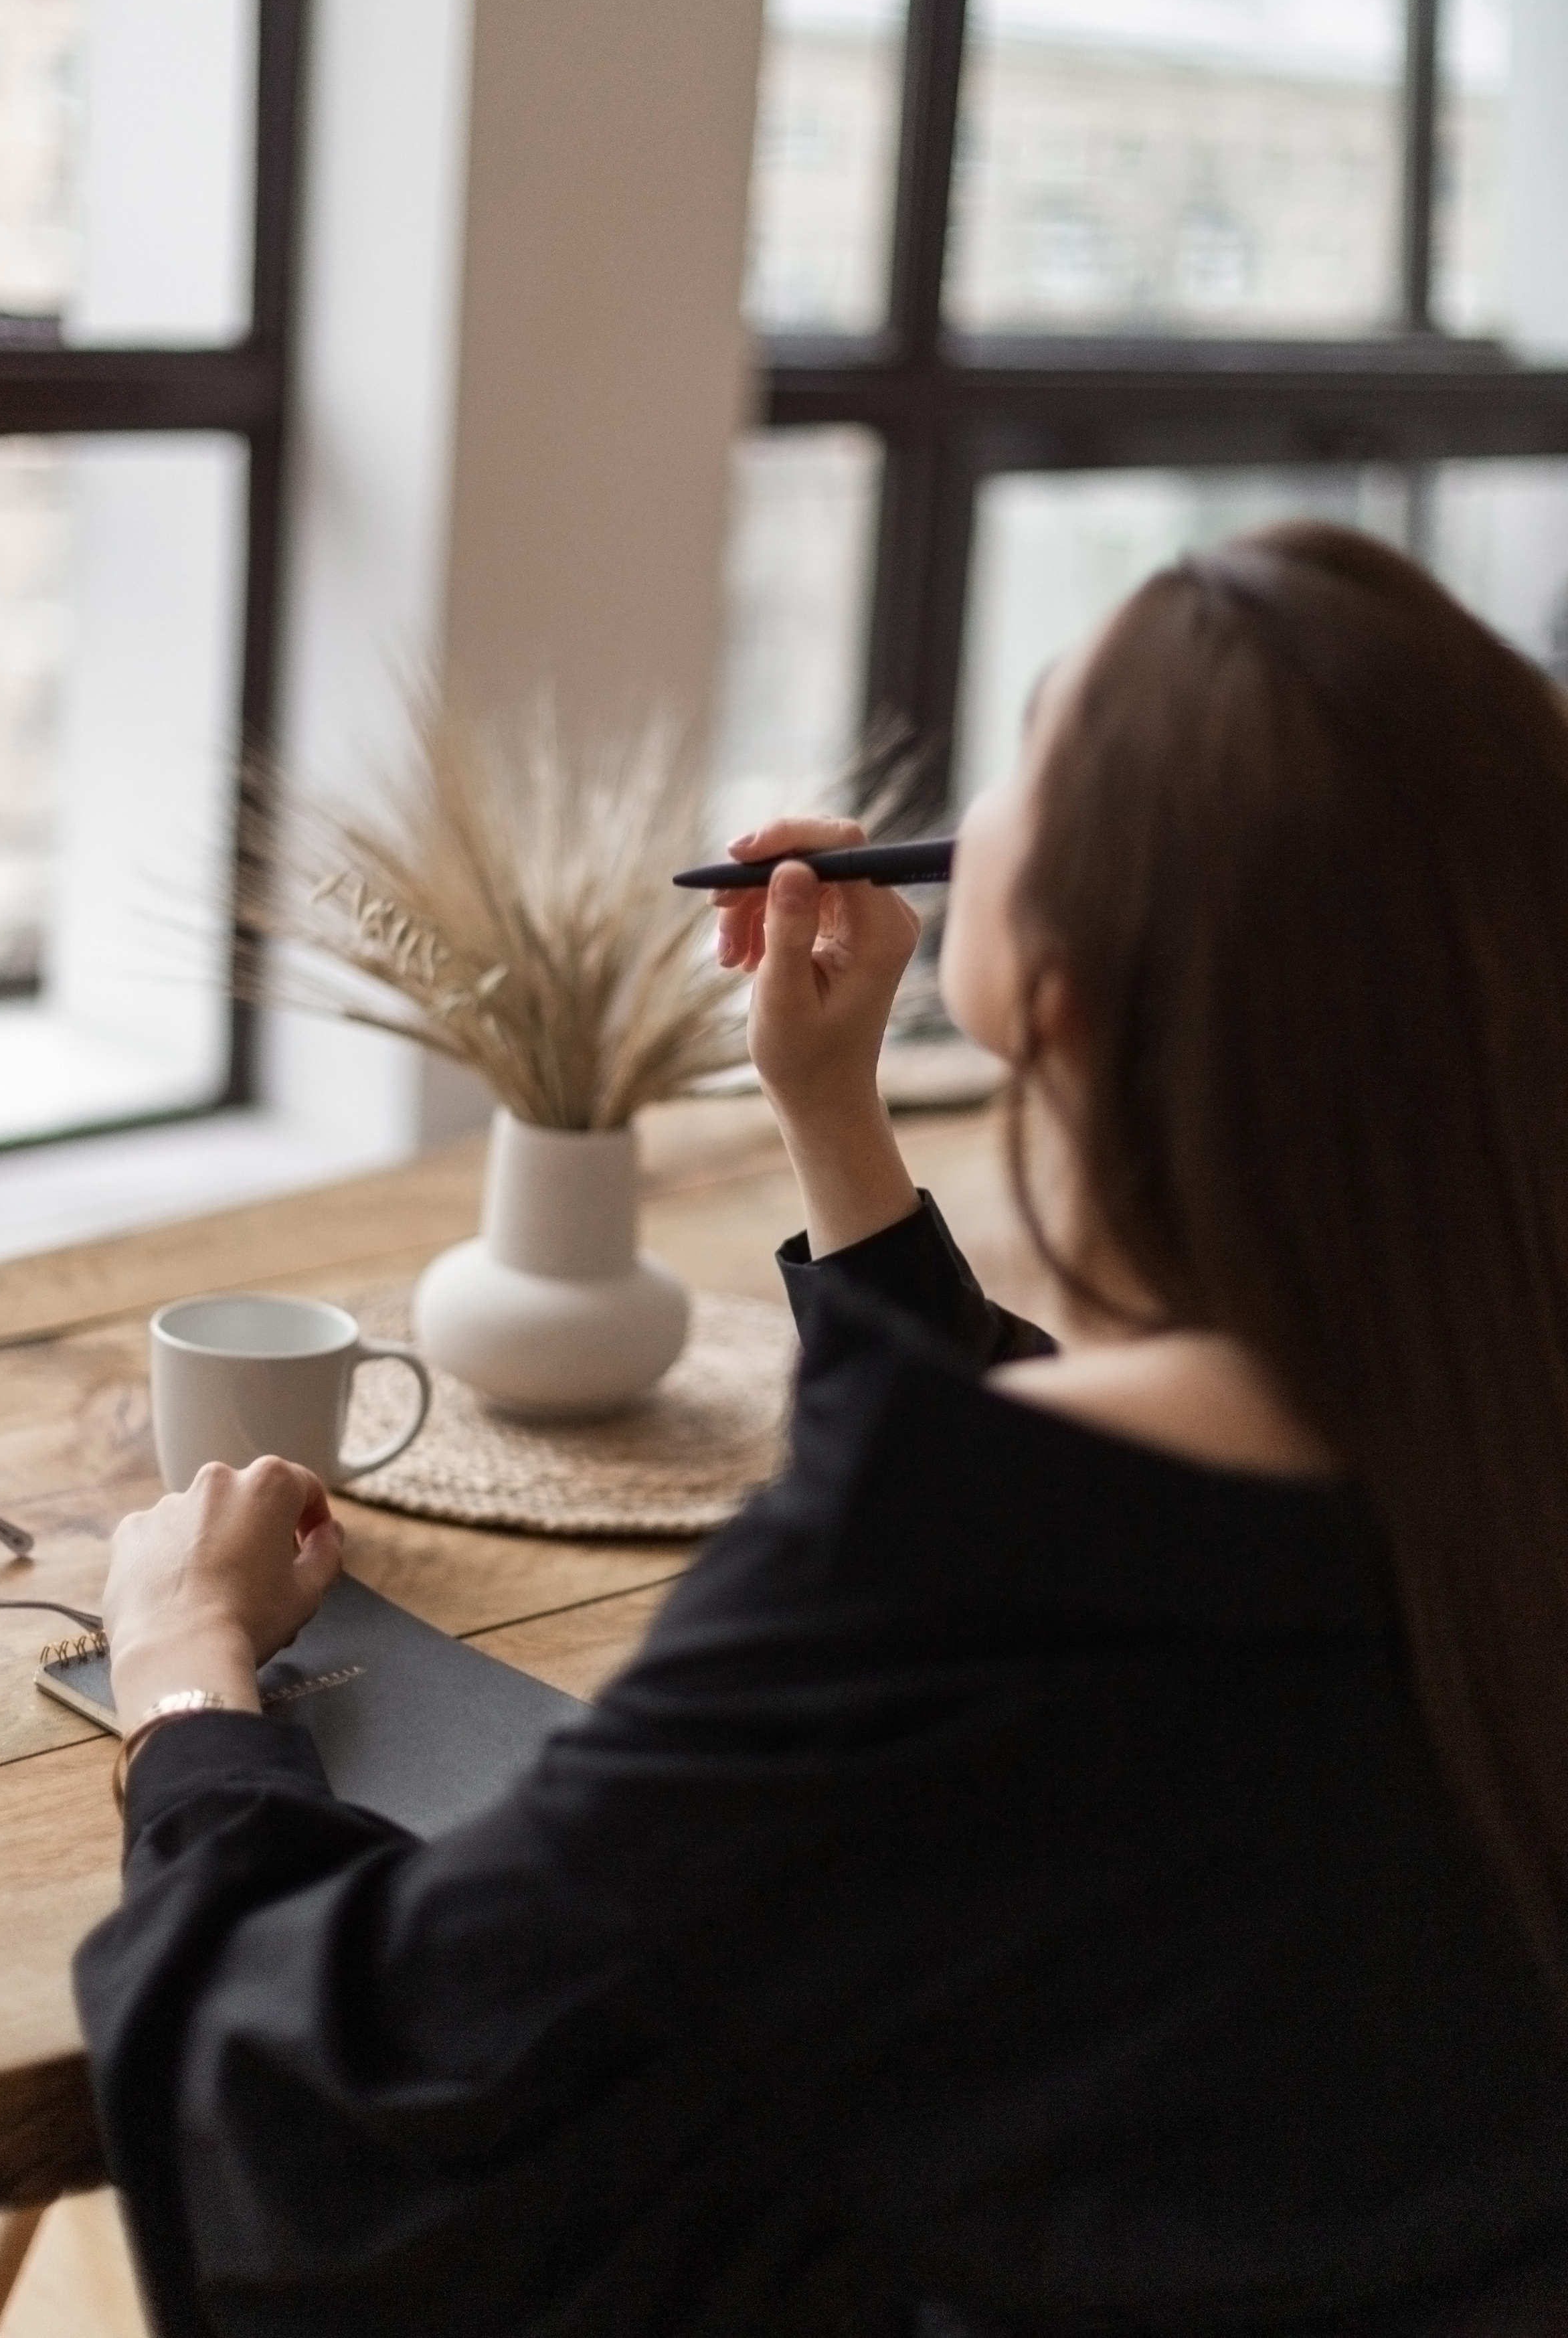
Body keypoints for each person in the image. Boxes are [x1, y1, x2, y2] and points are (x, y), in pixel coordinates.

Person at [76, 524, 1568, 2337]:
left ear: (1053, 991)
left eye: (1029, 750)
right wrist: (833, 1117)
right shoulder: (1472, 1439)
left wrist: (183, 1684)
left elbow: (326, 2117)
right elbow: (1131, 1527)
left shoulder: (924, 1582)